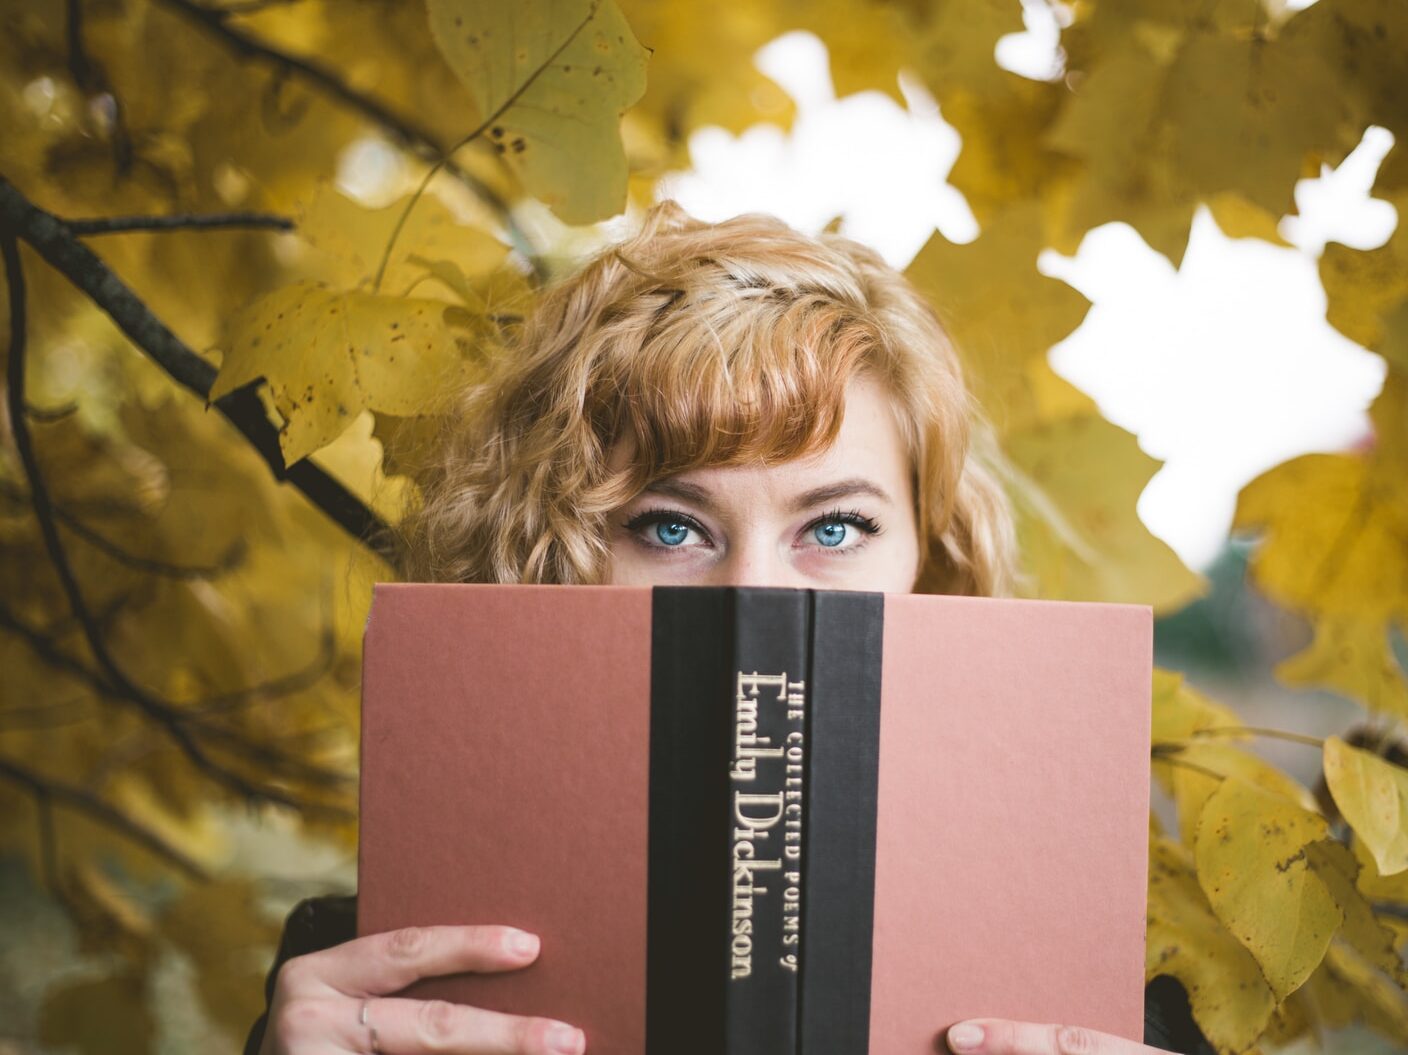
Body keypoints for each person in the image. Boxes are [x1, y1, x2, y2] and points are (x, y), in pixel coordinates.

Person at [244, 203, 1215, 1055]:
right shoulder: (363, 985)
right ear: (554, 549)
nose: (754, 591)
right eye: (670, 526)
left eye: (835, 526)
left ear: (932, 556)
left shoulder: (1106, 997)